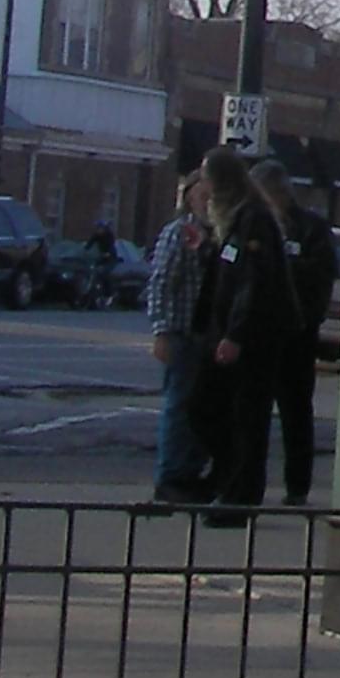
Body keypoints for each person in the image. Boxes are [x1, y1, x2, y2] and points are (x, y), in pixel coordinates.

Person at [191, 147, 298, 522]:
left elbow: (253, 281)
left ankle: (241, 498)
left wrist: (235, 333)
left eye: (207, 178)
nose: (202, 186)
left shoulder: (253, 221)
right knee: (204, 407)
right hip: (227, 333)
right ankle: (224, 477)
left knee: (248, 418)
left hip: (255, 337)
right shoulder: (232, 220)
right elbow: (223, 277)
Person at [249, 160, 337, 505]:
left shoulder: (311, 229)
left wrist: (283, 268)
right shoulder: (253, 225)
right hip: (258, 334)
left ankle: (297, 486)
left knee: (296, 412)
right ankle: (248, 483)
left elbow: (322, 275)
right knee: (253, 414)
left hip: (297, 335)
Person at [140, 173, 212, 503]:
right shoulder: (180, 233)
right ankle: (169, 477)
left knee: (201, 409)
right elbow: (160, 283)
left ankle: (190, 473)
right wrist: (162, 330)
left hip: (208, 337)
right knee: (179, 405)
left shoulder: (216, 236)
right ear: (189, 197)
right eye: (202, 194)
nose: (207, 200)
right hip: (182, 333)